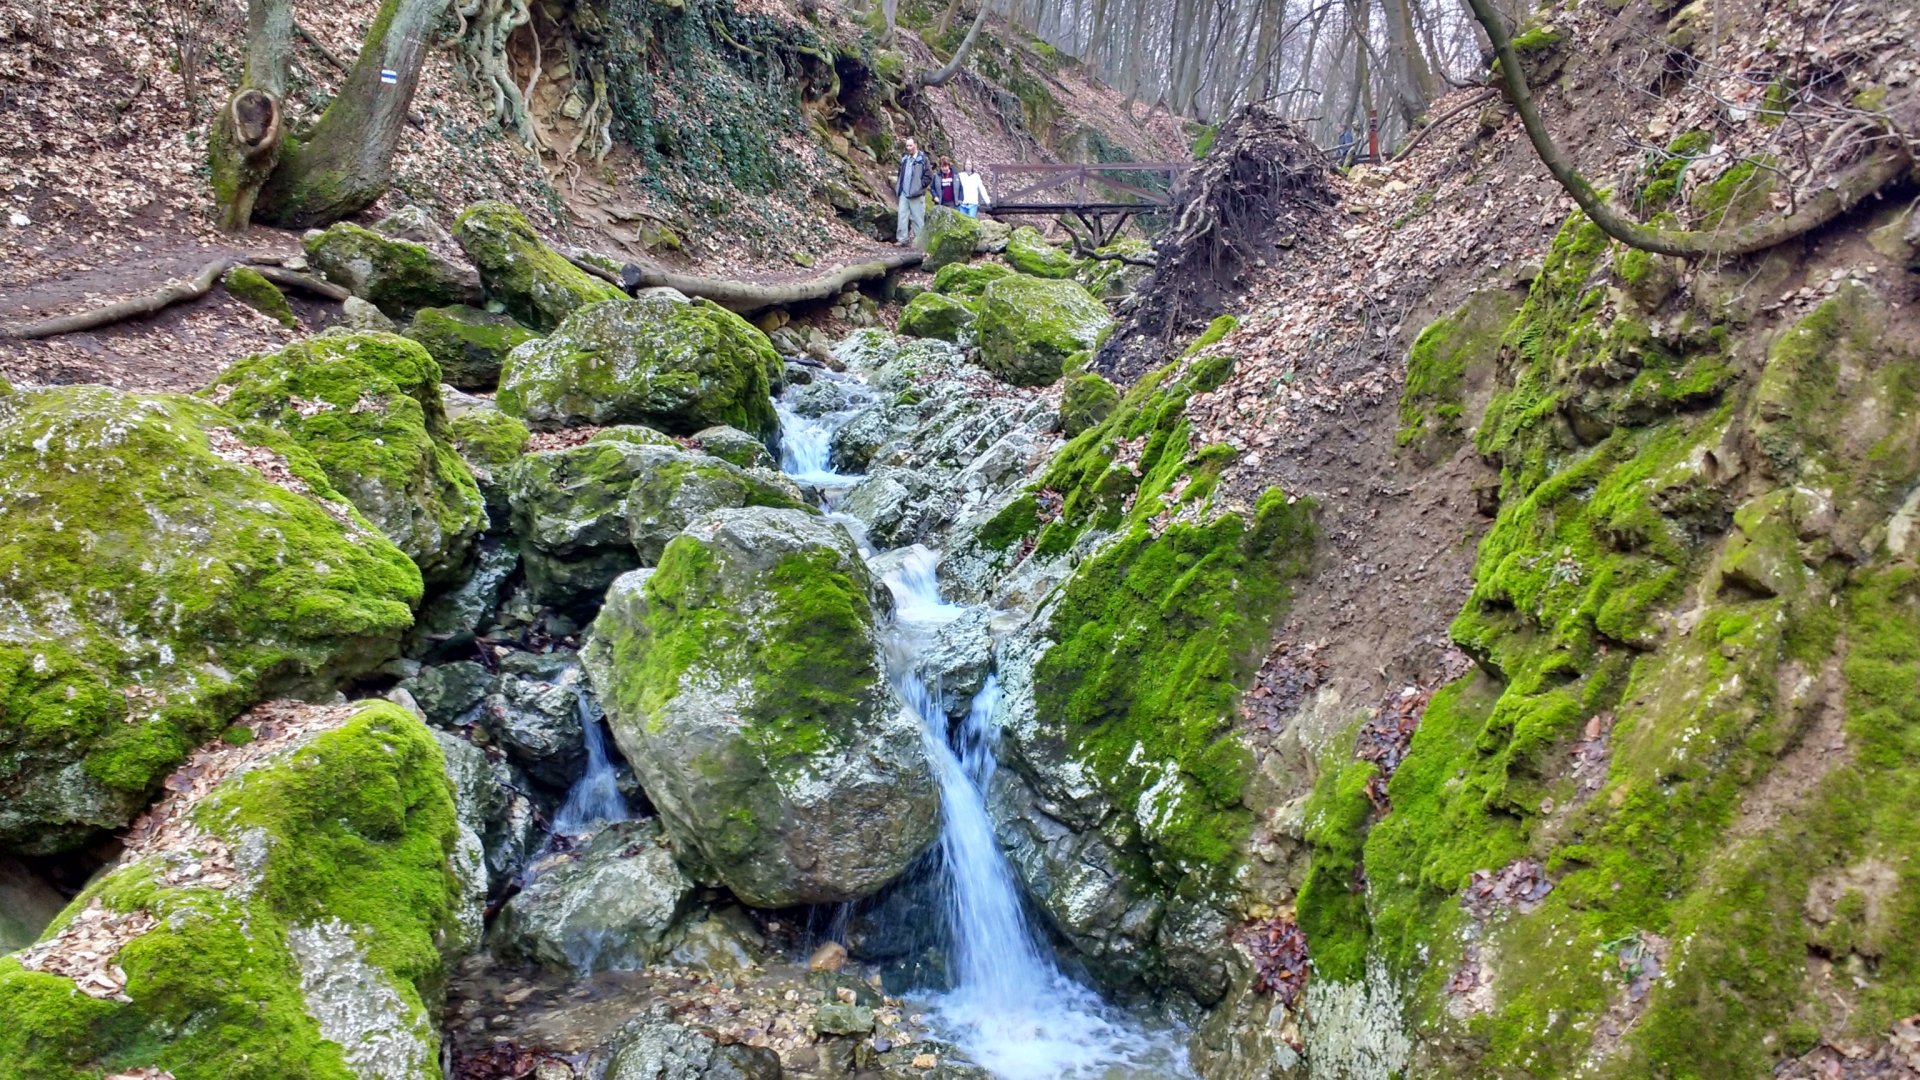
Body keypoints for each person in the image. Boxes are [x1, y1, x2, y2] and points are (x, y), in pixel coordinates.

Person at [896, 138, 931, 246]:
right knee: (902, 216)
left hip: (916, 194)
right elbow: (900, 174)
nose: (909, 148)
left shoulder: (923, 159)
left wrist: (919, 186)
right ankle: (902, 239)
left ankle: (919, 242)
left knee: (918, 219)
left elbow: (929, 176)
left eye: (910, 145)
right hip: (904, 193)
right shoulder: (905, 159)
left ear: (915, 145)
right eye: (907, 146)